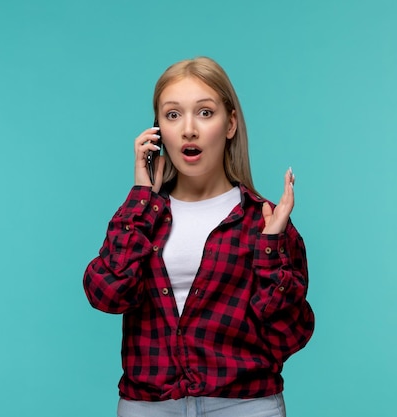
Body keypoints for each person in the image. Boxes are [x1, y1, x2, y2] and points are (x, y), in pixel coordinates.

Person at [83, 56, 314, 417]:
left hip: (245, 405)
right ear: (158, 130)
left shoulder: (264, 220)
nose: (188, 129)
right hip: (150, 406)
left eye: (205, 113)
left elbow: (290, 336)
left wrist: (270, 248)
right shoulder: (143, 215)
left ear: (230, 124)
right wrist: (141, 196)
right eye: (173, 115)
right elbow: (108, 295)